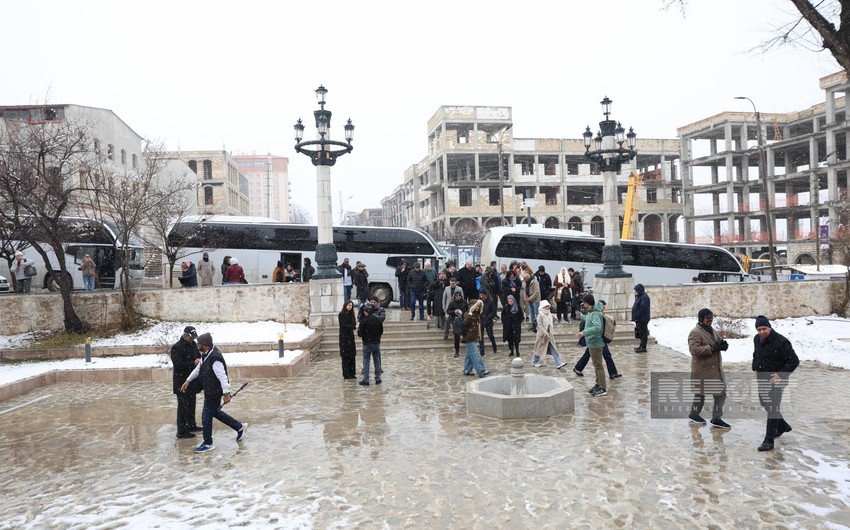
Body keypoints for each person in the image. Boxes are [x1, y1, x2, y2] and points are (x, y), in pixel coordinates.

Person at [180, 332, 247, 454]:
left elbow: (222, 377)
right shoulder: (206, 354)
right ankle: (239, 426)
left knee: (206, 417)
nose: (197, 346)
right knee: (215, 412)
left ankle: (208, 443)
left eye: (199, 344)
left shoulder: (215, 358)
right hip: (210, 390)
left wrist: (226, 394)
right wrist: (188, 380)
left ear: (204, 344)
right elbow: (198, 368)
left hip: (214, 392)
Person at [752, 315, 800, 452]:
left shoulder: (781, 342)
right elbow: (756, 354)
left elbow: (794, 361)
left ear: (770, 327)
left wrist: (781, 374)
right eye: (759, 329)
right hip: (762, 378)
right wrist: (755, 367)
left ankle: (769, 440)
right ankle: (782, 425)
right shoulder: (757, 339)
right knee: (764, 403)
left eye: (764, 328)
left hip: (777, 380)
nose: (762, 332)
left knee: (772, 407)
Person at [687, 308, 730, 428]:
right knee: (700, 393)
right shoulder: (695, 332)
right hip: (703, 369)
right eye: (707, 318)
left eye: (711, 318)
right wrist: (711, 348)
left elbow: (717, 342)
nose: (710, 320)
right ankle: (694, 414)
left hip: (715, 369)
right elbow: (693, 350)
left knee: (721, 393)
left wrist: (722, 345)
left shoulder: (712, 330)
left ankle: (716, 418)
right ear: (701, 319)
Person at [573, 300, 621, 379]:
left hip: (600, 339)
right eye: (603, 308)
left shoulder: (599, 314)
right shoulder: (594, 314)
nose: (604, 310)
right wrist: (584, 334)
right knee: (598, 357)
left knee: (606, 355)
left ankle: (613, 373)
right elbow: (593, 327)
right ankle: (578, 368)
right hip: (594, 340)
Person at [170, 326, 202, 438]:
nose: (192, 339)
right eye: (191, 337)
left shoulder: (193, 345)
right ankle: (181, 431)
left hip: (191, 380)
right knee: (183, 406)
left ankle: (191, 425)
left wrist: (199, 360)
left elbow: (198, 356)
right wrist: (193, 363)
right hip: (181, 381)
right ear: (185, 335)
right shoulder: (177, 347)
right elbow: (178, 365)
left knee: (192, 403)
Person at [577, 294, 607, 397]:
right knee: (596, 365)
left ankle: (603, 388)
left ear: (587, 303)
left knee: (598, 366)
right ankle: (598, 384)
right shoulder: (591, 312)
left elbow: (597, 328)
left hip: (595, 343)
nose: (583, 304)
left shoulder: (595, 313)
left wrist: (583, 333)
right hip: (592, 343)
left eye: (584, 303)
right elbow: (589, 319)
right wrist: (583, 316)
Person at [530, 300, 567, 369]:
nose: (547, 307)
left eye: (548, 306)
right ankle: (534, 361)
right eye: (546, 306)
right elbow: (540, 326)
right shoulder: (540, 315)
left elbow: (551, 322)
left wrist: (553, 319)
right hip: (542, 335)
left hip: (549, 335)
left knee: (553, 348)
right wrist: (545, 333)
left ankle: (559, 363)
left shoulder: (549, 314)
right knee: (539, 349)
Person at [461, 300, 490, 378]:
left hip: (473, 337)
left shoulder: (477, 315)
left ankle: (467, 370)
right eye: (477, 306)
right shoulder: (468, 314)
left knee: (470, 355)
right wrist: (470, 314)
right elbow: (465, 322)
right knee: (475, 354)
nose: (478, 308)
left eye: (479, 306)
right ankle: (481, 371)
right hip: (469, 337)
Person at [358, 306, 384, 385]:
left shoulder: (364, 321)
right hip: (376, 343)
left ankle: (366, 379)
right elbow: (381, 331)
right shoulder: (378, 320)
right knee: (377, 360)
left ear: (366, 312)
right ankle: (378, 378)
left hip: (367, 343)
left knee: (366, 361)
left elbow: (360, 334)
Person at [339, 300, 357, 380]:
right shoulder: (342, 314)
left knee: (352, 355)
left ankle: (352, 373)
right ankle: (346, 373)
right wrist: (353, 326)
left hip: (350, 336)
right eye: (349, 305)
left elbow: (353, 323)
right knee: (346, 356)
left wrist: (353, 326)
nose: (350, 307)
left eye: (351, 306)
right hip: (344, 337)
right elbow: (344, 325)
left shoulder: (351, 314)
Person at [446, 291, 468, 357]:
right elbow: (448, 311)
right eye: (457, 296)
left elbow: (468, 309)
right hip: (455, 320)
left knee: (465, 332)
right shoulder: (452, 303)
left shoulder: (464, 302)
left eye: (459, 295)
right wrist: (454, 311)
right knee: (457, 335)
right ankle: (457, 351)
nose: (458, 297)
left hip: (463, 319)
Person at [631, 283, 651, 353]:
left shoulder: (644, 297)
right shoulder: (640, 296)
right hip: (639, 319)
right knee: (641, 332)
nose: (635, 292)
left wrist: (637, 315)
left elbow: (642, 309)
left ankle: (643, 347)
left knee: (643, 333)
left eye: (636, 290)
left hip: (642, 319)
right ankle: (641, 345)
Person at [478, 288, 498, 355]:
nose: (481, 296)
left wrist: (488, 317)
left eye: (482, 295)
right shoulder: (479, 301)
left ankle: (494, 347)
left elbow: (493, 311)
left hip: (488, 321)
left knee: (490, 335)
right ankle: (482, 350)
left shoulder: (490, 301)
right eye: (480, 295)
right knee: (480, 336)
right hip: (480, 320)